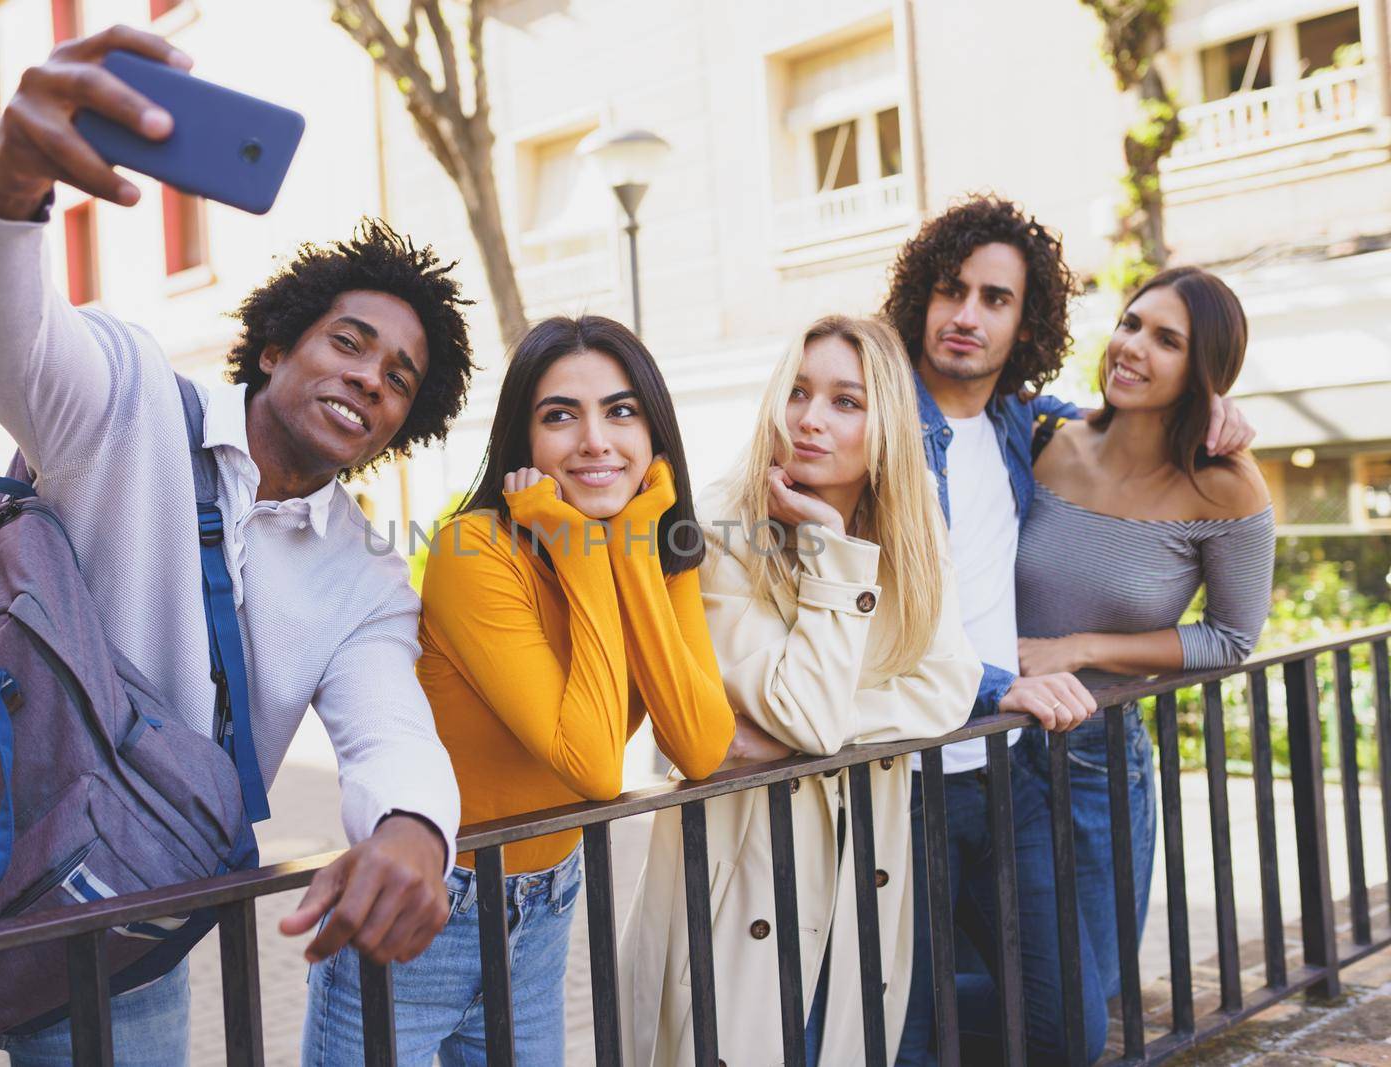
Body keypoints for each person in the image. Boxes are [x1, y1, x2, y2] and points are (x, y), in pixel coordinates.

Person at [0, 27, 469, 1065]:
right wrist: (5, 184)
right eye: (349, 340)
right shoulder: (125, 398)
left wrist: (414, 828)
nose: (371, 378)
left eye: (399, 377)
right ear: (279, 344)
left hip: (117, 939)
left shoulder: (365, 577)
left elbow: (389, 731)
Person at [302, 315, 738, 1065]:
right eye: (560, 415)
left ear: (653, 431)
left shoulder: (658, 548)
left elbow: (699, 746)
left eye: (622, 410)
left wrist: (633, 552)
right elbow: (595, 764)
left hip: (544, 910)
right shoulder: (474, 551)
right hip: (428, 909)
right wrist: (578, 546)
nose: (595, 439)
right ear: (523, 442)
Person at [884, 198, 1256, 1066]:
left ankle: (850, 1006)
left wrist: (1219, 411)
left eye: (996, 299)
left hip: (1025, 764)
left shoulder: (1024, 424)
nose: (968, 315)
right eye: (951, 291)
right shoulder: (885, 419)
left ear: (1028, 322)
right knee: (919, 1010)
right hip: (908, 768)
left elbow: (1232, 635)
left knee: (1067, 1020)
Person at [620, 315, 981, 1066]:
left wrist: (788, 738)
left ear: (885, 420)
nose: (810, 420)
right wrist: (831, 551)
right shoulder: (718, 528)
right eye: (798, 392)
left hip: (863, 867)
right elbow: (806, 713)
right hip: (740, 872)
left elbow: (949, 685)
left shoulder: (911, 530)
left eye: (846, 401)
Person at [1016, 266, 1275, 1001]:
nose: (1133, 347)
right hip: (985, 740)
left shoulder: (1224, 482)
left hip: (1096, 760)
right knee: (998, 982)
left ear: (1205, 372)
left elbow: (1229, 637)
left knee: (1083, 1003)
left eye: (1167, 340)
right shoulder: (1049, 440)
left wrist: (1083, 648)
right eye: (1131, 324)